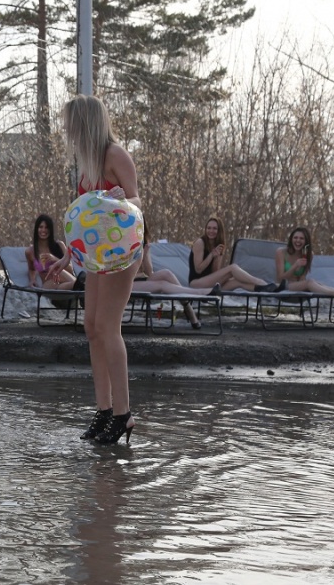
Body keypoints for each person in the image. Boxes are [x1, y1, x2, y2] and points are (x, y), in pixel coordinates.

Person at [47, 95, 141, 445]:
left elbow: (137, 201)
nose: (66, 128)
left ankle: (123, 414)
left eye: (70, 121)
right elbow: (86, 220)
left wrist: (122, 199)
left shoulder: (115, 155)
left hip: (123, 250)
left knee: (107, 326)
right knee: (90, 327)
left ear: (84, 122)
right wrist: (67, 257)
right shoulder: (86, 163)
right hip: (97, 255)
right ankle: (104, 410)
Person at [134, 224, 219, 330]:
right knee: (162, 285)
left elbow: (150, 273)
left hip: (143, 279)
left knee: (166, 273)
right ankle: (199, 294)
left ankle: (188, 307)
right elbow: (128, 272)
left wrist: (145, 255)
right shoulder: (122, 244)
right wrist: (139, 258)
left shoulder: (143, 244)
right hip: (128, 282)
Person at [188, 216, 281, 293]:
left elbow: (214, 273)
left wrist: (216, 258)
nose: (211, 231)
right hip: (196, 284)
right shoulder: (200, 243)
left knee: (236, 282)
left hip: (209, 283)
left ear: (219, 231)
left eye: (214, 228)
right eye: (209, 228)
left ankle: (266, 290)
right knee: (232, 268)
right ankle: (263, 283)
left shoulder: (218, 245)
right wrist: (211, 255)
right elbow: (198, 269)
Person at [275, 226, 334, 300]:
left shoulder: (308, 255)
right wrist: (295, 266)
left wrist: (306, 286)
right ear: (291, 239)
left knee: (318, 283)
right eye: (295, 238)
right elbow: (280, 279)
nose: (298, 240)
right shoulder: (281, 252)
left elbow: (302, 278)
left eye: (301, 238)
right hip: (284, 285)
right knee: (310, 282)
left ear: (306, 241)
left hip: (297, 285)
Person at [25, 214, 79, 290]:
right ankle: (79, 285)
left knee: (56, 271)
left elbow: (70, 269)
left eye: (47, 227)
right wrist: (32, 279)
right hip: (49, 284)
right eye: (41, 227)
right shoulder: (30, 251)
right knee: (59, 286)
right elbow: (31, 269)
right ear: (36, 229)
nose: (44, 230)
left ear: (51, 230)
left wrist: (55, 259)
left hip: (65, 279)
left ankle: (78, 284)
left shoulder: (59, 245)